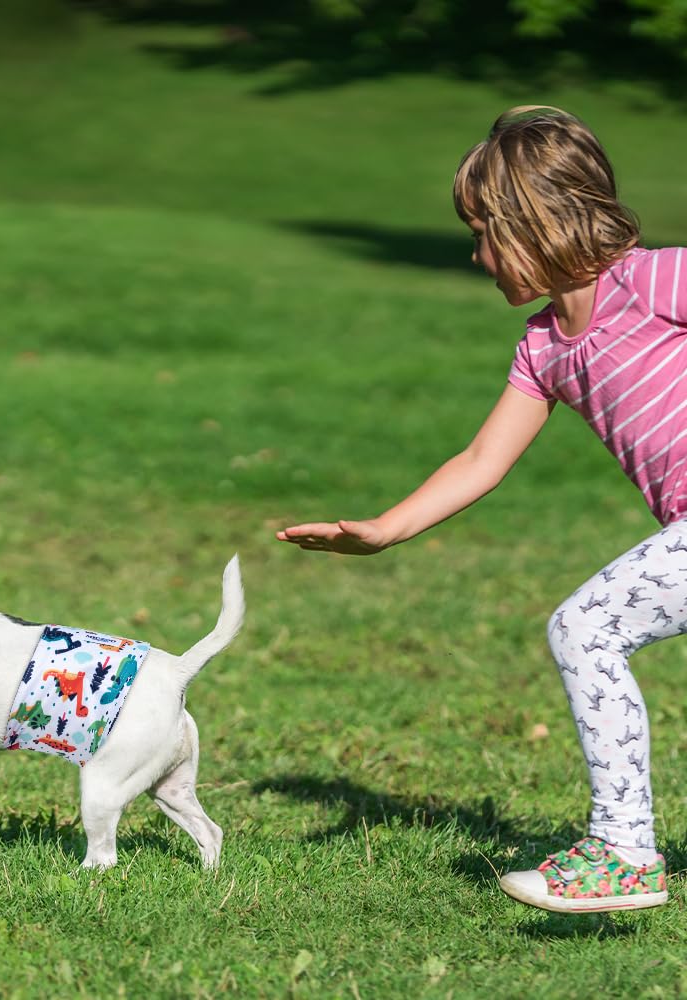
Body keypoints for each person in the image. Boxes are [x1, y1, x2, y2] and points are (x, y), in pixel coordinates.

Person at [277, 105, 685, 913]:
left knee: (587, 626)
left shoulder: (655, 280)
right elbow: (481, 460)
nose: (476, 255)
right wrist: (385, 530)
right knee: (591, 627)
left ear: (537, 224)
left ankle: (626, 852)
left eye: (483, 234)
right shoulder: (546, 346)